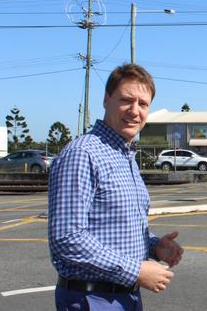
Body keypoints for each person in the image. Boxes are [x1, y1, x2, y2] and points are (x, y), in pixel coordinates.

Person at [48, 63, 184, 310]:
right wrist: (136, 270)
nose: (135, 111)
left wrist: (154, 246)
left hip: (126, 297)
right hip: (91, 299)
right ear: (106, 99)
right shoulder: (83, 154)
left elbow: (116, 228)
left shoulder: (124, 155)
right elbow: (67, 238)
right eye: (126, 100)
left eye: (143, 104)